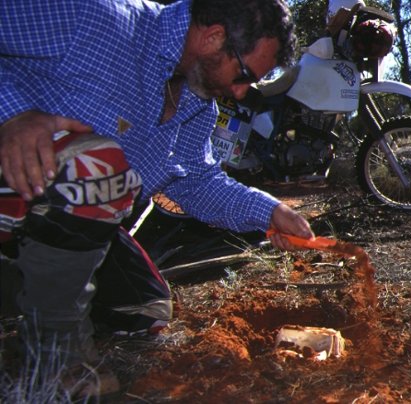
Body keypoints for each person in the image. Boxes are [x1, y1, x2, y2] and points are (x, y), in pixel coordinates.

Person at [0, 0, 313, 396]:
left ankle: (20, 283)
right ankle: (54, 357)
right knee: (97, 169)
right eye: (244, 74)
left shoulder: (196, 104)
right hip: (16, 183)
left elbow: (196, 182)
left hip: (53, 220)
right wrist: (11, 115)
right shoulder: (92, 16)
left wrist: (271, 211)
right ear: (213, 37)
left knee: (143, 309)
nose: (240, 92)